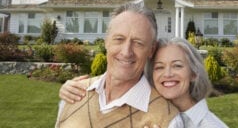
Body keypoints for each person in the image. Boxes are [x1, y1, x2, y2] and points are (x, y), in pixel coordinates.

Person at [55, 3, 178, 128]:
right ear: (106, 41)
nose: (126, 52)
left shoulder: (167, 119)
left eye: (138, 43)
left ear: (151, 50)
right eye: (119, 39)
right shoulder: (74, 94)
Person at [59, 37, 228, 127]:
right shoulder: (147, 109)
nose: (167, 74)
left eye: (177, 66)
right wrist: (71, 90)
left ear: (193, 73)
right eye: (159, 67)